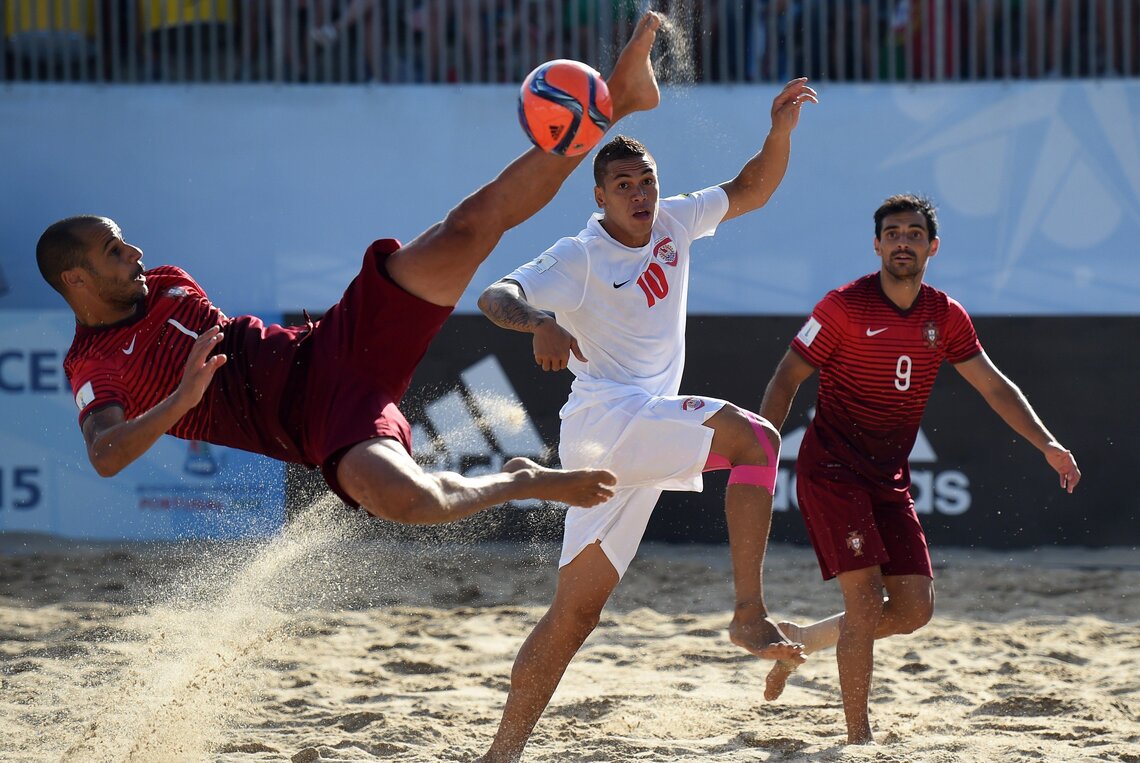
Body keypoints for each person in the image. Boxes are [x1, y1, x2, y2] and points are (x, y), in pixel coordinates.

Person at [35, 12, 672, 527]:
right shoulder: (94, 365)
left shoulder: (166, 281)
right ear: (76, 281)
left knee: (469, 226)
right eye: (114, 253)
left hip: (335, 341)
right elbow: (105, 455)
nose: (136, 254)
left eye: (125, 243)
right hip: (318, 423)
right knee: (415, 505)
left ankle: (615, 101)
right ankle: (520, 482)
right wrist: (181, 399)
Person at [474, 76, 819, 761]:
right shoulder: (579, 254)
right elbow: (495, 294)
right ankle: (748, 615)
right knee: (755, 439)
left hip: (630, 436)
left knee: (574, 615)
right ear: (599, 196)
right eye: (624, 184)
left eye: (646, 181)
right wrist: (540, 319)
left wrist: (778, 133)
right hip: (609, 419)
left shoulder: (676, 220)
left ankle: (500, 754)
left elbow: (753, 187)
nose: (640, 193)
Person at [757, 193, 1082, 744]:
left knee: (912, 610)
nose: (902, 241)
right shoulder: (844, 306)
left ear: (932, 246)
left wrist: (1047, 443)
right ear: (877, 244)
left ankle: (800, 641)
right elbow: (786, 378)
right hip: (832, 470)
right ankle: (858, 738)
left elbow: (992, 384)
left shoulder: (945, 314)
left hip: (889, 476)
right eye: (892, 233)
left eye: (913, 233)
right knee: (862, 603)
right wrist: (762, 453)